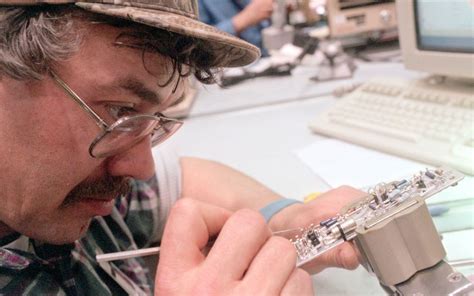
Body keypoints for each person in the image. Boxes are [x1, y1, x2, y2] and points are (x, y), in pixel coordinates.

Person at [0, 0, 364, 295]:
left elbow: (183, 176)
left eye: (151, 120)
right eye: (119, 111)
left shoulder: (63, 190)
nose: (142, 166)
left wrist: (285, 218)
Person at [198, 0, 272, 53]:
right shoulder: (197, 3)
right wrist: (244, 19)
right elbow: (199, 42)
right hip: (226, 67)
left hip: (267, 59)